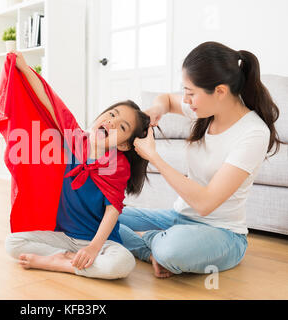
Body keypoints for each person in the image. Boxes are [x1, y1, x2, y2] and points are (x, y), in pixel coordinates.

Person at [120, 41, 283, 278]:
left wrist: (154, 157)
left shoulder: (253, 133)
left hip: (222, 233)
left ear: (220, 91)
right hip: (179, 217)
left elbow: (206, 204)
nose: (185, 100)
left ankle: (156, 243)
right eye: (184, 92)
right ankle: (153, 250)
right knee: (100, 213)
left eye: (190, 93)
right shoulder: (207, 111)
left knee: (172, 250)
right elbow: (166, 99)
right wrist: (157, 108)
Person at [3, 51, 152, 279]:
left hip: (100, 242)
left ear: (123, 146)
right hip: (64, 237)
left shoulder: (118, 166)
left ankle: (59, 264)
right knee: (13, 243)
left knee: (122, 264)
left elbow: (113, 211)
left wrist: (93, 248)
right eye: (112, 114)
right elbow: (51, 101)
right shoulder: (75, 139)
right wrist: (24, 68)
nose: (111, 122)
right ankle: (65, 256)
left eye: (122, 128)